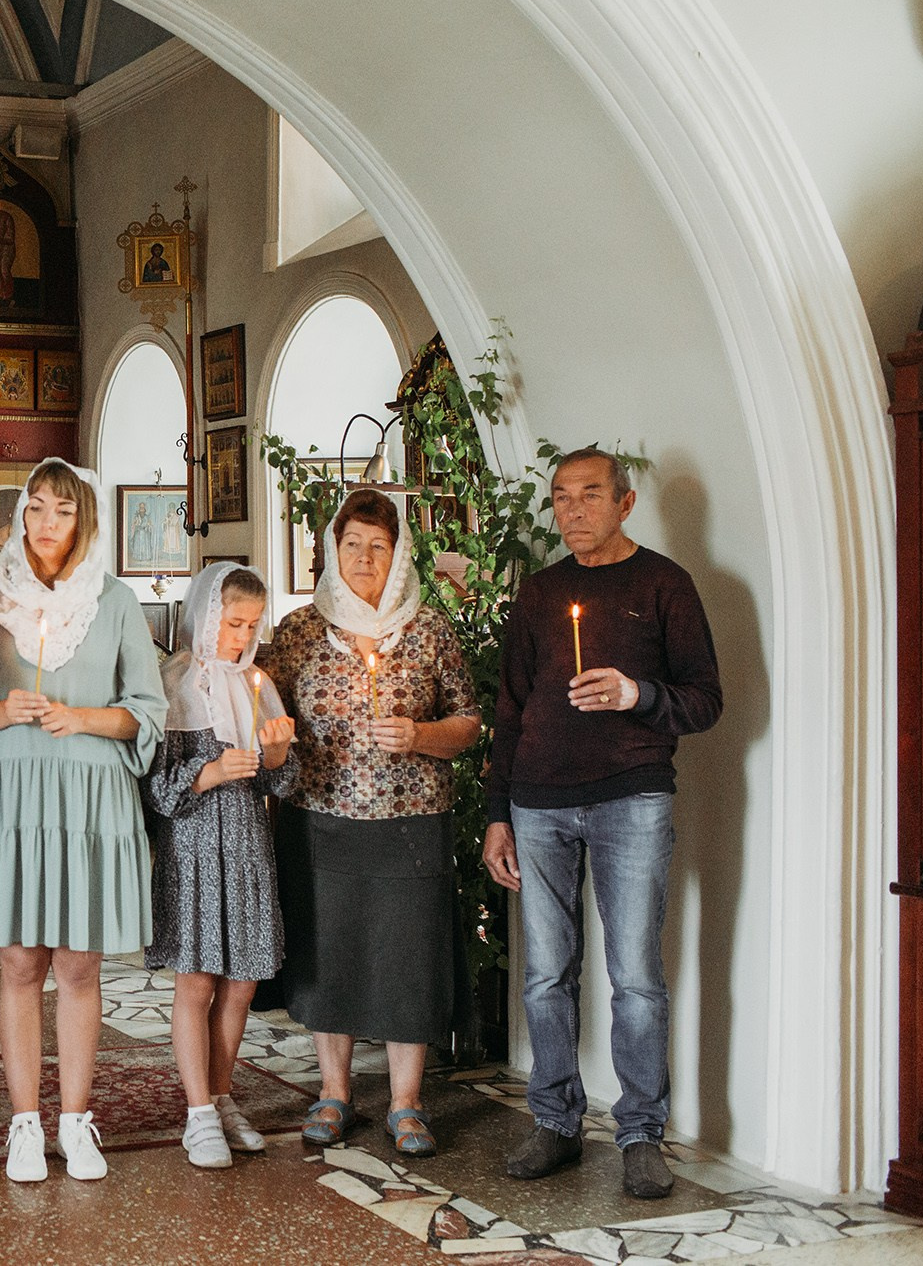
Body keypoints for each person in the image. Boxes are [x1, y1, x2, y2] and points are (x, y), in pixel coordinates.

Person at [482, 449, 722, 1199]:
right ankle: (554, 1120)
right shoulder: (541, 591)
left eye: (590, 494)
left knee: (636, 978)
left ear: (625, 502)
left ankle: (642, 1134)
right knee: (547, 974)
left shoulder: (664, 585)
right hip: (538, 799)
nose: (573, 509)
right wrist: (498, 814)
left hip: (632, 798)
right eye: (560, 497)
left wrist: (636, 693)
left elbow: (706, 699)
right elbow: (511, 708)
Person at [0, 459, 167, 1184]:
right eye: (34, 508)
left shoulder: (115, 600)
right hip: (14, 794)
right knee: (19, 961)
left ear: (85, 520)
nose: (44, 524)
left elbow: (147, 710)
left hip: (89, 794)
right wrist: (2, 709)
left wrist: (83, 717)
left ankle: (75, 1120)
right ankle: (22, 1125)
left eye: (61, 511)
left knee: (77, 963)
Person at [257, 489, 481, 1159]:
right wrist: (266, 732)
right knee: (332, 956)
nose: (362, 557)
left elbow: (468, 723)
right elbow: (259, 706)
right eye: (351, 543)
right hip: (320, 820)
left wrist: (418, 733)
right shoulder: (299, 631)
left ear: (398, 554)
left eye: (376, 546)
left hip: (413, 822)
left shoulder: (429, 630)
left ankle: (406, 1101)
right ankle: (335, 1091)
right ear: (332, 549)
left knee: (408, 959)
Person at [141, 563, 299, 1169]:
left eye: (252, 626)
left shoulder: (257, 684)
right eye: (233, 623)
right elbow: (154, 789)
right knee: (198, 980)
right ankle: (197, 1113)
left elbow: (282, 782)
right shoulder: (174, 682)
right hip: (194, 849)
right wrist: (206, 774)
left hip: (249, 846)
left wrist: (279, 753)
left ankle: (223, 1094)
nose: (242, 637)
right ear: (207, 616)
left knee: (241, 983)